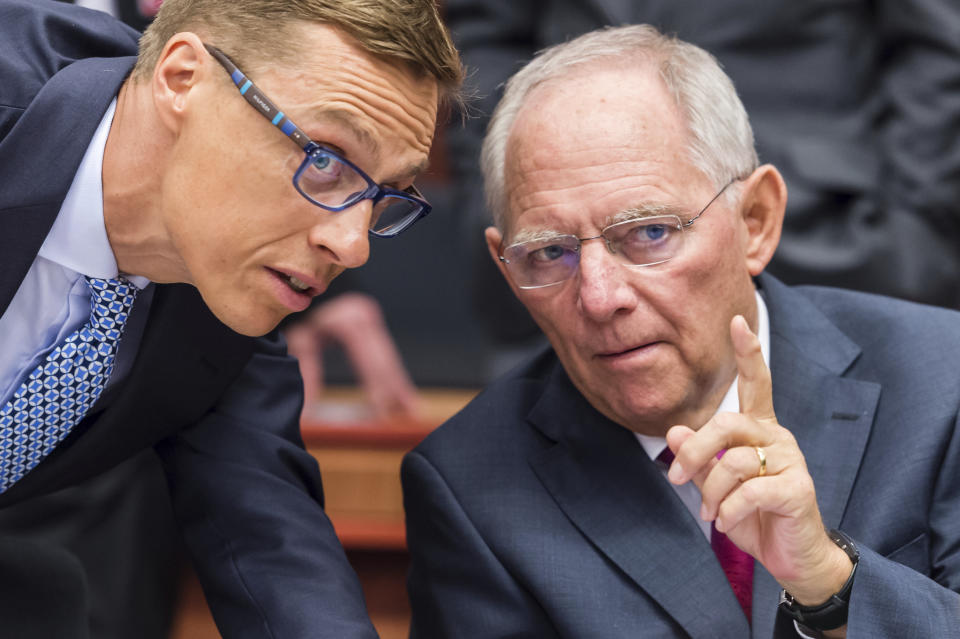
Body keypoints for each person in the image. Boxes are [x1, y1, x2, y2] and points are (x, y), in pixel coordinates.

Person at [402, 25, 960, 638]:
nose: (600, 297)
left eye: (649, 233)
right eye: (550, 253)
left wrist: (831, 583)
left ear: (756, 220)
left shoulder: (942, 381)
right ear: (506, 268)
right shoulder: (470, 485)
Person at [0, 1, 461, 638]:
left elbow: (269, 537)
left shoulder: (219, 293)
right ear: (182, 78)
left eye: (382, 196)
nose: (353, 246)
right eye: (325, 159)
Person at [443, 0, 960, 363]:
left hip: (835, 239)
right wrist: (499, 202)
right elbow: (485, 36)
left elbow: (937, 41)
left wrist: (912, 220)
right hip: (557, 269)